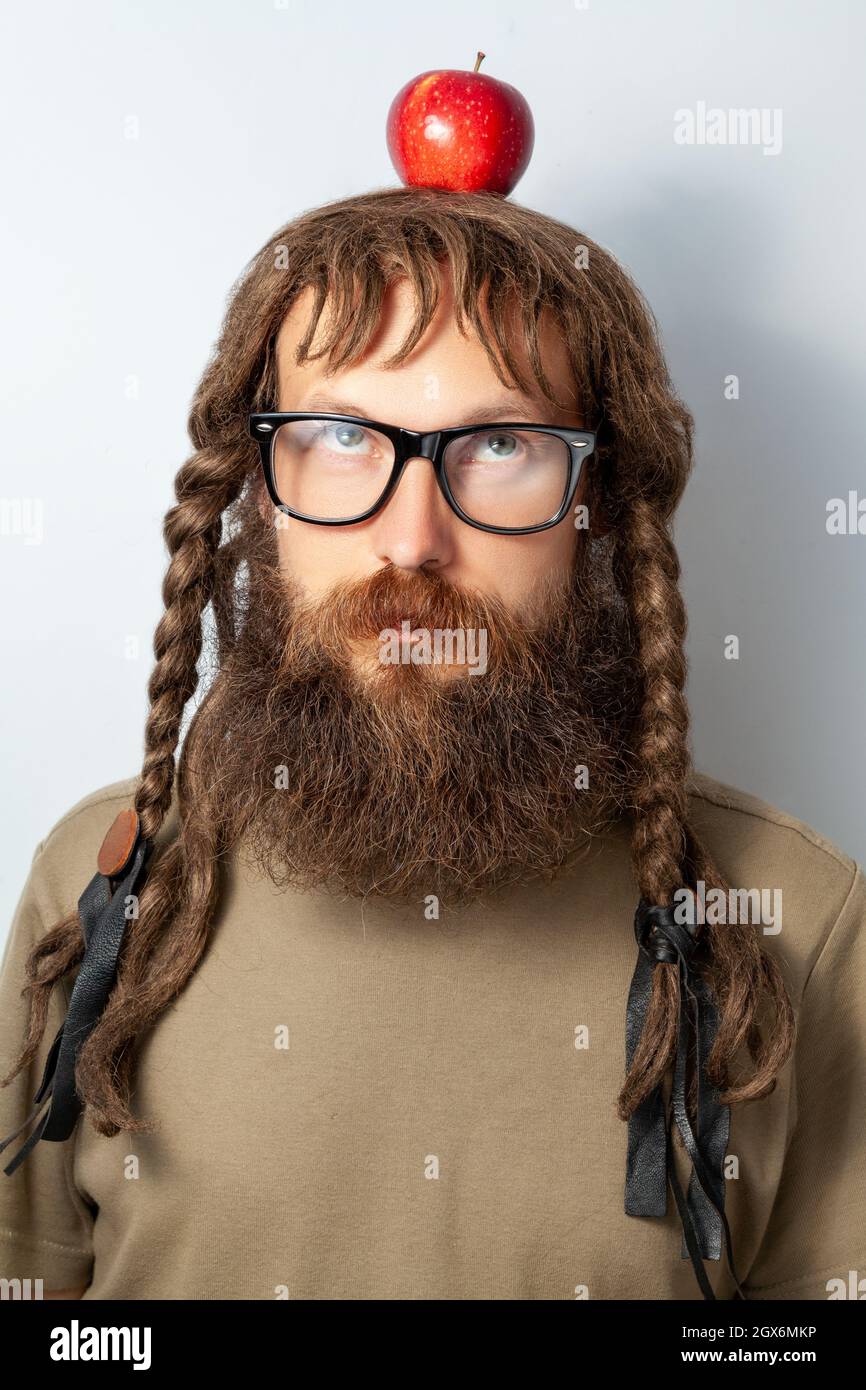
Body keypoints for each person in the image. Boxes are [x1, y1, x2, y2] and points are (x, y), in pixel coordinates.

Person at [1, 187, 863, 1302]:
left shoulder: (790, 917)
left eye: (499, 444)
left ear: (595, 499)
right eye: (341, 437)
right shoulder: (107, 884)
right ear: (256, 490)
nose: (412, 539)